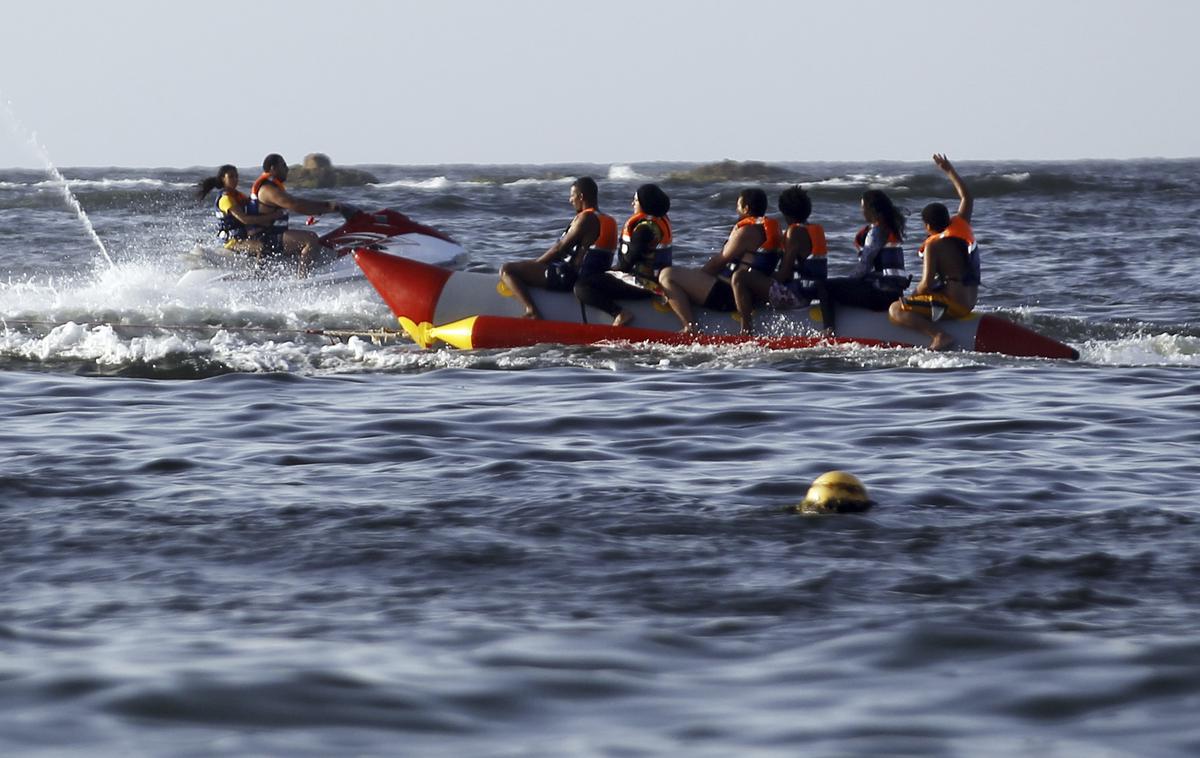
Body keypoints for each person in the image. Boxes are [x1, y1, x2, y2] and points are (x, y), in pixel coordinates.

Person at [658, 188, 781, 332]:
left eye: (738, 206)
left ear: (746, 208)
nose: (737, 210)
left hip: (728, 295)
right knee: (687, 275)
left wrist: (696, 280)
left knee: (668, 275)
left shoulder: (747, 231)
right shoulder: (767, 230)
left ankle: (689, 327)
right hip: (746, 294)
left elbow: (718, 262)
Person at [888, 154, 978, 350]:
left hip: (955, 305)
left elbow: (926, 284)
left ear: (927, 226)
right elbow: (967, 197)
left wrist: (911, 297)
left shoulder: (933, 245)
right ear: (948, 219)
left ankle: (940, 335)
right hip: (970, 300)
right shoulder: (961, 226)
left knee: (896, 309)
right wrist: (949, 170)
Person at [498, 177, 617, 319]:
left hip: (569, 276)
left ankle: (532, 311)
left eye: (572, 195)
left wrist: (536, 264)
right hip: (590, 277)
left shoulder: (586, 219)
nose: (570, 200)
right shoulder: (609, 220)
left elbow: (560, 249)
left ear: (581, 197)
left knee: (508, 269)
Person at [730, 185, 827, 335]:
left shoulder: (794, 233)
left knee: (739, 277)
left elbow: (784, 275)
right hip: (810, 292)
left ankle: (746, 329)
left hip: (797, 296)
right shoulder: (812, 229)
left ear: (785, 212)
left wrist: (759, 277)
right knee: (754, 279)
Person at [573, 183, 672, 326]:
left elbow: (629, 262)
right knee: (600, 277)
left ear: (645, 204)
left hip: (642, 284)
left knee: (582, 286)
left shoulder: (644, 229)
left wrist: (612, 271)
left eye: (636, 201)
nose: (632, 203)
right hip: (651, 281)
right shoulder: (657, 222)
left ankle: (619, 313)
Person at [247, 153, 357, 276]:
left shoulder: (272, 186)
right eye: (283, 165)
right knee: (310, 238)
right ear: (273, 168)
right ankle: (302, 280)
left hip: (270, 234)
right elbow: (295, 204)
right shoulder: (268, 189)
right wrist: (331, 207)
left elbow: (299, 204)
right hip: (264, 237)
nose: (287, 169)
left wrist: (324, 208)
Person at [819, 189, 908, 332]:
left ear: (872, 209)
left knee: (824, 286)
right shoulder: (890, 228)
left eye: (863, 207)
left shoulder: (876, 232)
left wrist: (847, 282)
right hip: (894, 293)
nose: (862, 211)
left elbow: (864, 267)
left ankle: (828, 331)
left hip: (881, 295)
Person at [196, 164, 283, 259]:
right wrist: (273, 216)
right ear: (223, 179)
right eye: (231, 176)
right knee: (262, 247)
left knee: (271, 240)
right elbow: (245, 220)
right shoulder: (226, 199)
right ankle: (257, 273)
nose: (235, 179)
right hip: (231, 241)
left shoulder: (237, 195)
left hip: (242, 236)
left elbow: (253, 204)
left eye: (236, 176)